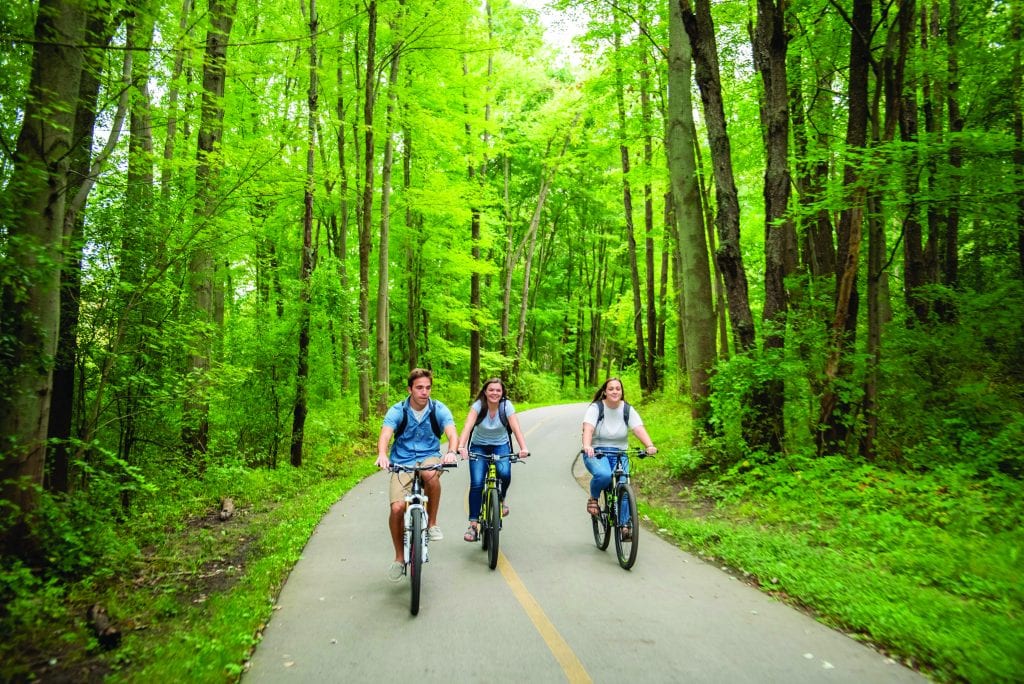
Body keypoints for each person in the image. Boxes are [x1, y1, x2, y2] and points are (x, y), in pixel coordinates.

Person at [375, 368, 459, 581]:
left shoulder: (438, 409)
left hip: (429, 455)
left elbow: (451, 432)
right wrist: (383, 454)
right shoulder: (398, 410)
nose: (424, 392)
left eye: (428, 388)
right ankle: (399, 558)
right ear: (410, 389)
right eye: (419, 388)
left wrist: (450, 452)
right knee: (396, 508)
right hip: (402, 461)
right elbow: (386, 434)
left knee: (431, 475)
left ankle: (431, 524)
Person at [580, 377, 657, 541]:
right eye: (611, 389)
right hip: (597, 452)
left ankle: (624, 526)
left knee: (623, 485)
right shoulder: (596, 408)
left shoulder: (627, 409)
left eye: (618, 389)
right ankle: (594, 498)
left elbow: (638, 428)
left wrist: (649, 445)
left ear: (621, 392)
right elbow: (588, 428)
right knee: (604, 475)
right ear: (605, 392)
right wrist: (587, 446)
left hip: (620, 453)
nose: (615, 391)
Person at [455, 378, 530, 542]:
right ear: (485, 392)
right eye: (491, 390)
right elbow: (467, 426)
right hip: (478, 446)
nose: (495, 393)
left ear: (502, 393)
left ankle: (501, 500)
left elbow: (515, 428)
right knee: (476, 483)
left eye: (498, 390)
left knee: (505, 473)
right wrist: (461, 446)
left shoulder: (506, 406)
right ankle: (473, 525)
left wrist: (523, 448)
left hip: (500, 445)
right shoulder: (478, 406)